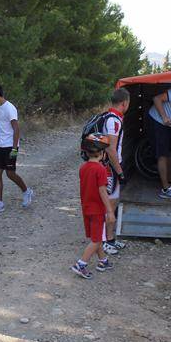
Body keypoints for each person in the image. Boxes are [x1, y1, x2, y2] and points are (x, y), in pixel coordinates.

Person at [71, 133, 115, 279]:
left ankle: (103, 261)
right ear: (102, 153)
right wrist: (110, 211)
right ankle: (81, 264)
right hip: (98, 210)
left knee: (98, 237)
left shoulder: (83, 168)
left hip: (86, 208)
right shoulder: (101, 169)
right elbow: (102, 191)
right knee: (96, 240)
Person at [0, 83, 33, 214]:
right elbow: (0, 127)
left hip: (10, 146)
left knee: (10, 173)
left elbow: (16, 128)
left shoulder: (9, 108)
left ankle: (26, 191)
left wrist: (14, 148)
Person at [101, 88, 130, 256]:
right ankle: (104, 241)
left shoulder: (113, 118)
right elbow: (111, 150)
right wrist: (120, 172)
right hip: (110, 168)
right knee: (109, 205)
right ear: (124, 103)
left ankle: (110, 238)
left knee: (114, 202)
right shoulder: (114, 121)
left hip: (111, 167)